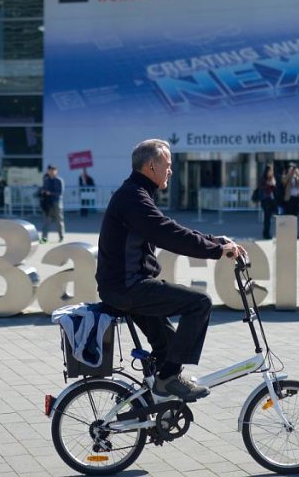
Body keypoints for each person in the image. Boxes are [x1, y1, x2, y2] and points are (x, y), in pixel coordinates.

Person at [96, 139, 244, 401]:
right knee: (199, 303)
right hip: (129, 288)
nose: (171, 170)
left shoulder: (136, 194)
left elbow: (169, 227)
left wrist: (216, 241)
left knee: (167, 347)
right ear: (152, 166)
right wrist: (215, 251)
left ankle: (153, 408)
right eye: (168, 164)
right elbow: (168, 234)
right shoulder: (133, 198)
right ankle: (167, 381)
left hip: (124, 287)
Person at [40, 164, 65, 243]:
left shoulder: (59, 181)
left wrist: (50, 193)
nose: (52, 172)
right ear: (48, 171)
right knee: (47, 220)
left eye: (53, 170)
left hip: (57, 202)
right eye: (50, 170)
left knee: (59, 220)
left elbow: (60, 193)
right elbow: (43, 190)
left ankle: (61, 236)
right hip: (48, 203)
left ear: (56, 171)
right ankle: (44, 237)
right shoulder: (46, 180)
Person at [258, 165, 277, 239]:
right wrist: (268, 184)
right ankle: (266, 233)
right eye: (270, 171)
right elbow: (261, 187)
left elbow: (274, 188)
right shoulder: (263, 178)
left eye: (272, 171)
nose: (271, 172)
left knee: (269, 218)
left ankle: (267, 232)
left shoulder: (272, 178)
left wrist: (273, 184)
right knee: (267, 217)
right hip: (265, 199)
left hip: (271, 199)